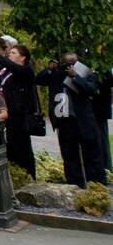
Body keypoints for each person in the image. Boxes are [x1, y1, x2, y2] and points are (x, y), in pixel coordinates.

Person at [37, 52, 105, 186]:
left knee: (92, 156)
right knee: (69, 156)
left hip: (83, 119)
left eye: (72, 64)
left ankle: (96, 185)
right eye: (66, 64)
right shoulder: (57, 74)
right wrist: (50, 69)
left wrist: (75, 76)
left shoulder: (85, 72)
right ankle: (74, 185)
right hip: (64, 120)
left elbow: (91, 89)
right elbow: (39, 80)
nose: (68, 67)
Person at [0, 41, 37, 179]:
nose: (10, 55)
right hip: (8, 114)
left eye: (14, 53)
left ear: (23, 58)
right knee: (12, 147)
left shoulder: (26, 71)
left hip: (20, 115)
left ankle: (29, 175)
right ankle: (15, 175)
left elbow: (13, 67)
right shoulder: (6, 71)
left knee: (23, 147)